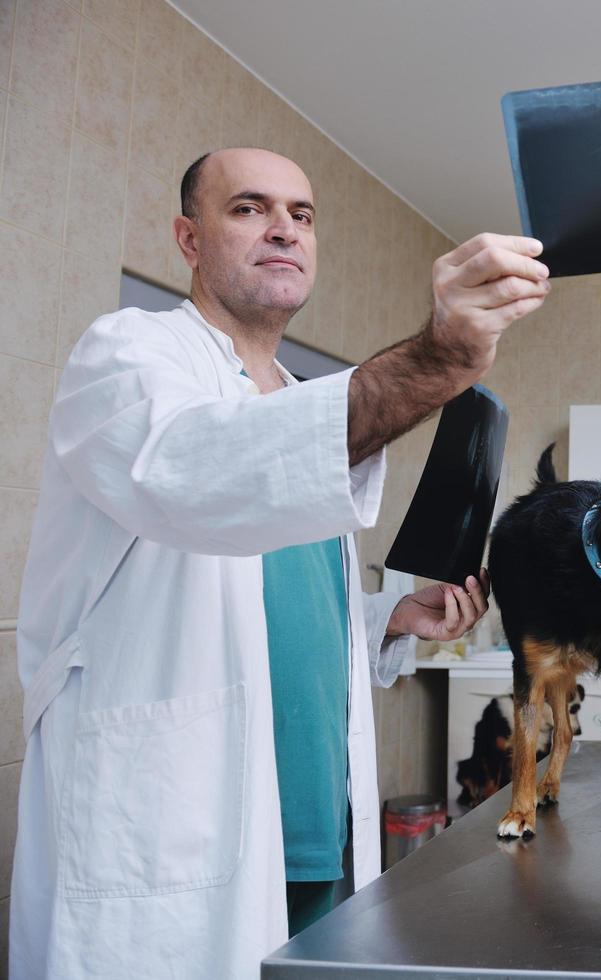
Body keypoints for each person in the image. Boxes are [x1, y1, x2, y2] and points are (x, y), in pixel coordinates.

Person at [10, 147, 551, 979]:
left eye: (301, 215)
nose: (283, 229)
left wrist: (387, 619)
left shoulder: (302, 401)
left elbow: (279, 600)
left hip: (316, 832)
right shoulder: (125, 358)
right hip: (182, 830)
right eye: (249, 208)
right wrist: (437, 358)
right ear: (190, 240)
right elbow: (197, 476)